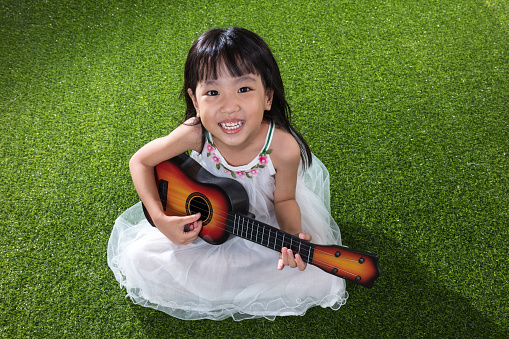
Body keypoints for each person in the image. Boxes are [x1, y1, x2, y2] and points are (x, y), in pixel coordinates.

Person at [107, 27, 348, 321]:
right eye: (212, 92)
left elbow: (284, 200)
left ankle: (225, 280)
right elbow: (140, 162)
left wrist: (290, 238)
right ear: (195, 102)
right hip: (203, 231)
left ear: (268, 97)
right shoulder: (194, 133)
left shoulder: (282, 147)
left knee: (317, 277)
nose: (229, 106)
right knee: (140, 258)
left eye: (244, 89)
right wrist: (160, 218)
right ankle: (225, 278)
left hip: (263, 223)